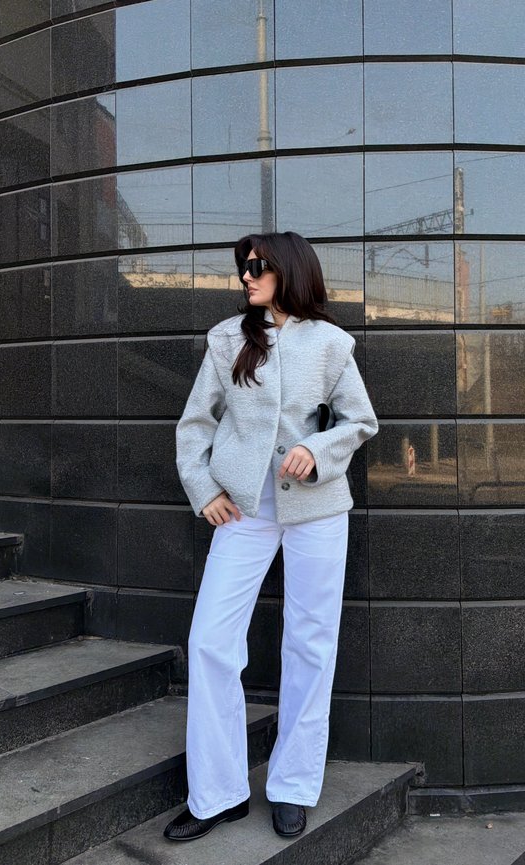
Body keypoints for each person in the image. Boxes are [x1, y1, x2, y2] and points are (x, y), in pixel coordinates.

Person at [163, 231, 378, 842]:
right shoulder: (228, 340)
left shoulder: (332, 343)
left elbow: (360, 420)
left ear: (289, 270)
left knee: (311, 643)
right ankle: (217, 793)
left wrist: (317, 447)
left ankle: (293, 785)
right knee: (210, 642)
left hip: (316, 511)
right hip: (243, 512)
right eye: (243, 268)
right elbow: (194, 424)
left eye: (257, 267)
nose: (246, 277)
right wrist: (203, 490)